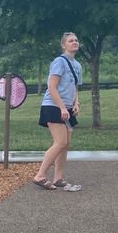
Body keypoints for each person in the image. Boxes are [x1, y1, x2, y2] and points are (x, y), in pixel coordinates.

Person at [33, 32, 83, 192]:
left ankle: (58, 178)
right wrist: (62, 107)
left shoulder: (77, 65)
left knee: (65, 144)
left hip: (67, 107)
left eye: (76, 40)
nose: (74, 42)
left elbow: (75, 87)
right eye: (71, 41)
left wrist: (76, 103)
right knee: (60, 142)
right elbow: (52, 86)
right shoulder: (59, 62)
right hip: (53, 106)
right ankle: (40, 175)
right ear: (64, 45)